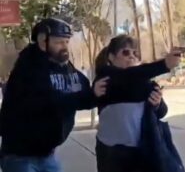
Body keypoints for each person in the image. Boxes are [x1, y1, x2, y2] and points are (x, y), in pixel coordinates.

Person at [0, 18, 107, 172]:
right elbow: (46, 102)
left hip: (46, 154)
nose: (64, 47)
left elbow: (83, 96)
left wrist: (96, 93)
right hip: (19, 156)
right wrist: (83, 97)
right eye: (58, 42)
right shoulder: (27, 68)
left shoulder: (65, 68)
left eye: (66, 42)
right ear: (43, 42)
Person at [93, 35, 181, 172]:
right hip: (112, 153)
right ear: (111, 57)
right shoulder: (105, 79)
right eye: (125, 52)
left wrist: (157, 104)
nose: (131, 56)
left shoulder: (146, 83)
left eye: (135, 53)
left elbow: (162, 112)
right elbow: (127, 78)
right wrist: (164, 64)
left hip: (142, 149)